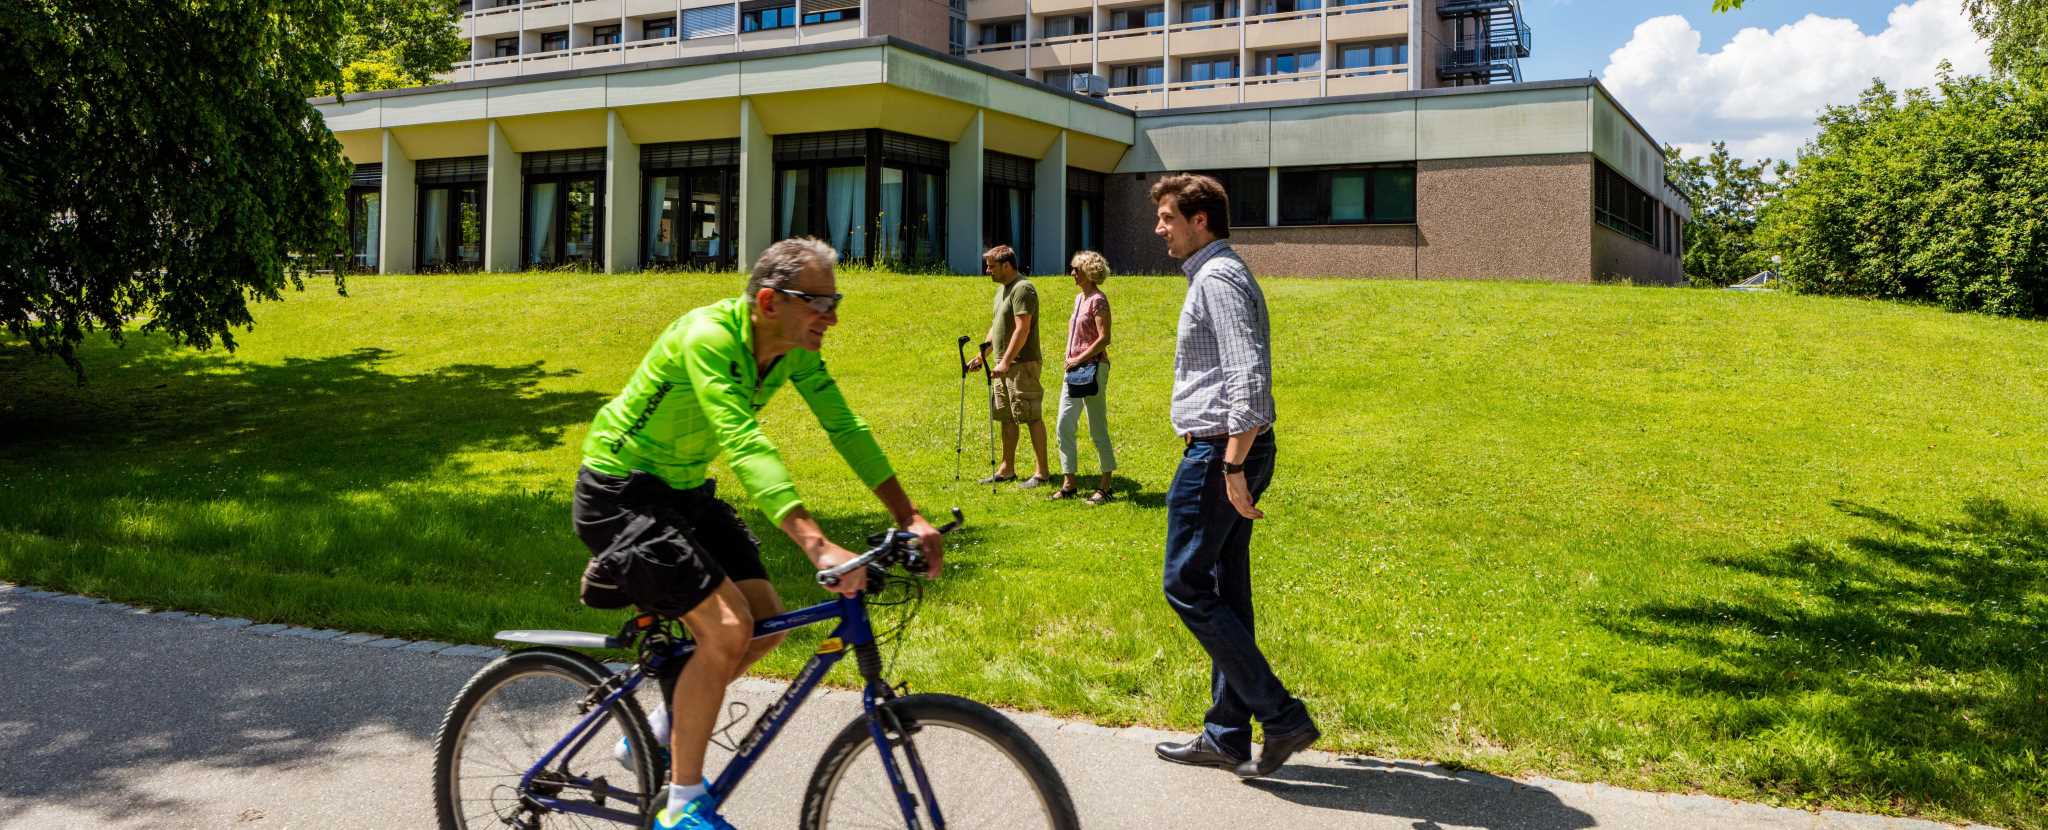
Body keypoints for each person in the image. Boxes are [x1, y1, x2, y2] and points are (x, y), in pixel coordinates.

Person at [573, 238, 945, 830]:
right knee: (726, 629)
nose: (833, 316)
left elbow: (844, 426)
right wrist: (816, 542)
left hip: (684, 489)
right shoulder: (709, 338)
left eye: (835, 300)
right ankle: (683, 807)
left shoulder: (793, 350)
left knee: (766, 621)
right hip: (620, 490)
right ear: (770, 301)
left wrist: (908, 515)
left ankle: (666, 727)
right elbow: (744, 443)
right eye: (818, 302)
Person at [1145, 173, 1318, 779]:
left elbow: (1249, 379)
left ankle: (1282, 715)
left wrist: (1233, 464)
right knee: (1224, 586)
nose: (1159, 228)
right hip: (1231, 447)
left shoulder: (1217, 278)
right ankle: (1225, 734)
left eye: (1168, 217)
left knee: (1186, 584)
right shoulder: (1218, 274)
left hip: (1221, 450)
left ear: (1200, 221)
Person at [963, 244, 1052, 489]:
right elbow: (996, 327)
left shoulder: (1023, 289)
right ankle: (1007, 468)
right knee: (1006, 417)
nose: (987, 270)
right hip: (1003, 365)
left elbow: (1022, 329)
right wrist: (983, 355)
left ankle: (1042, 472)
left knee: (1031, 416)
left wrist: (1004, 362)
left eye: (991, 266)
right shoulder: (1002, 290)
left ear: (1006, 265)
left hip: (1022, 364)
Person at [1050, 250, 1117, 504]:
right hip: (1073, 371)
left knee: (1097, 427)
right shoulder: (1079, 299)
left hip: (1093, 369)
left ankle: (1105, 485)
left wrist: (1079, 358)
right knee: (1063, 424)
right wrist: (1072, 361)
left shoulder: (1099, 300)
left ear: (1088, 272)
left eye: (1076, 270)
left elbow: (1104, 338)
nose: (1072, 274)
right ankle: (1069, 483)